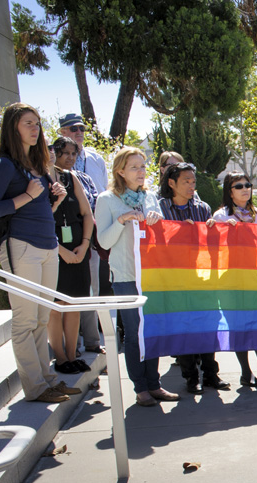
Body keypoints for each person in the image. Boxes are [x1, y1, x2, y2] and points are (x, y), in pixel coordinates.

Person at [0, 103, 79, 403]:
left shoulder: (35, 165)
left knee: (40, 318)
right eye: (27, 123)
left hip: (47, 246)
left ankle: (47, 380)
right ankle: (35, 388)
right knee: (25, 322)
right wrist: (27, 195)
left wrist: (54, 202)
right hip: (21, 247)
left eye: (37, 123)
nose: (35, 128)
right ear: (13, 127)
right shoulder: (3, 165)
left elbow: (34, 209)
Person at [95, 147, 179, 407]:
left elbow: (164, 235)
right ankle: (140, 387)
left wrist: (158, 220)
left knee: (151, 330)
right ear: (120, 171)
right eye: (134, 167)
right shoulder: (107, 199)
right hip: (125, 276)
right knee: (133, 334)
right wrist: (121, 220)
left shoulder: (150, 197)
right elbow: (103, 242)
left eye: (143, 167)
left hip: (150, 275)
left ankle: (154, 384)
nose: (141, 172)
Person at [157, 161, 231, 394]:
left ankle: (211, 373)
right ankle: (191, 377)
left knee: (208, 324)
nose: (191, 186)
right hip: (175, 277)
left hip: (202, 276)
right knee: (183, 325)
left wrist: (213, 229)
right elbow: (156, 241)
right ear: (171, 183)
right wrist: (178, 232)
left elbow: (211, 245)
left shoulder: (202, 209)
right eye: (185, 181)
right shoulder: (160, 208)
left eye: (193, 181)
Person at [211, 172, 257, 387]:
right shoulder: (221, 217)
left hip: (256, 276)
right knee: (238, 325)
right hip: (231, 278)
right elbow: (215, 249)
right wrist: (224, 231)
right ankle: (245, 372)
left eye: (247, 185)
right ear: (229, 192)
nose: (245, 189)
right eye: (239, 186)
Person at [57, 113, 106, 356]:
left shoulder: (92, 164)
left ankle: (92, 343)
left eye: (82, 128)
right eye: (73, 128)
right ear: (62, 132)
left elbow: (100, 199)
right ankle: (69, 347)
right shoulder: (50, 173)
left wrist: (89, 240)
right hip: (61, 243)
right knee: (64, 297)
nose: (79, 132)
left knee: (91, 290)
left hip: (89, 238)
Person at [47, 136, 96, 375]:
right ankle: (60, 357)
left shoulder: (71, 177)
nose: (69, 157)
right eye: (64, 152)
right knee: (57, 305)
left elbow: (87, 214)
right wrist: (63, 252)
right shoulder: (40, 179)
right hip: (55, 251)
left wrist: (84, 245)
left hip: (78, 250)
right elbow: (40, 222)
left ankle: (72, 353)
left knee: (74, 304)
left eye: (73, 153)